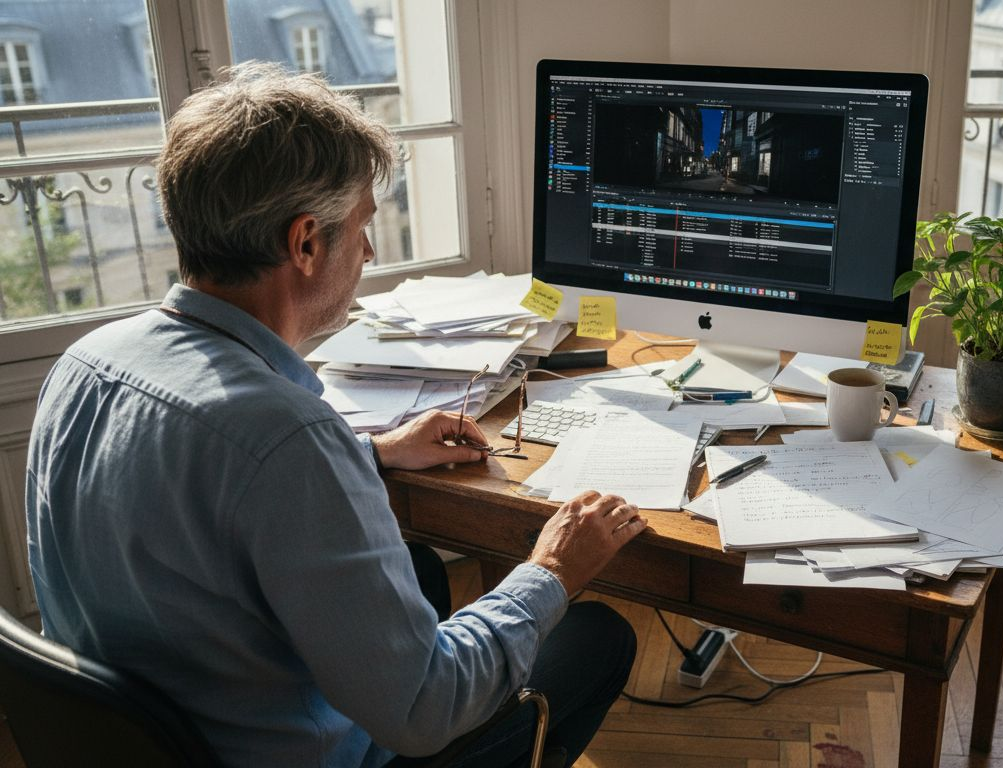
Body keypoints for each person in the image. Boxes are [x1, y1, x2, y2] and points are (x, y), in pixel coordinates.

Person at [25, 62, 645, 768]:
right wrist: (553, 570)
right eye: (361, 227)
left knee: (413, 567)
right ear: (305, 244)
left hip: (153, 737)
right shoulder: (290, 439)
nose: (370, 250)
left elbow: (213, 490)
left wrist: (374, 454)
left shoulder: (83, 363)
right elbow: (425, 710)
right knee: (596, 636)